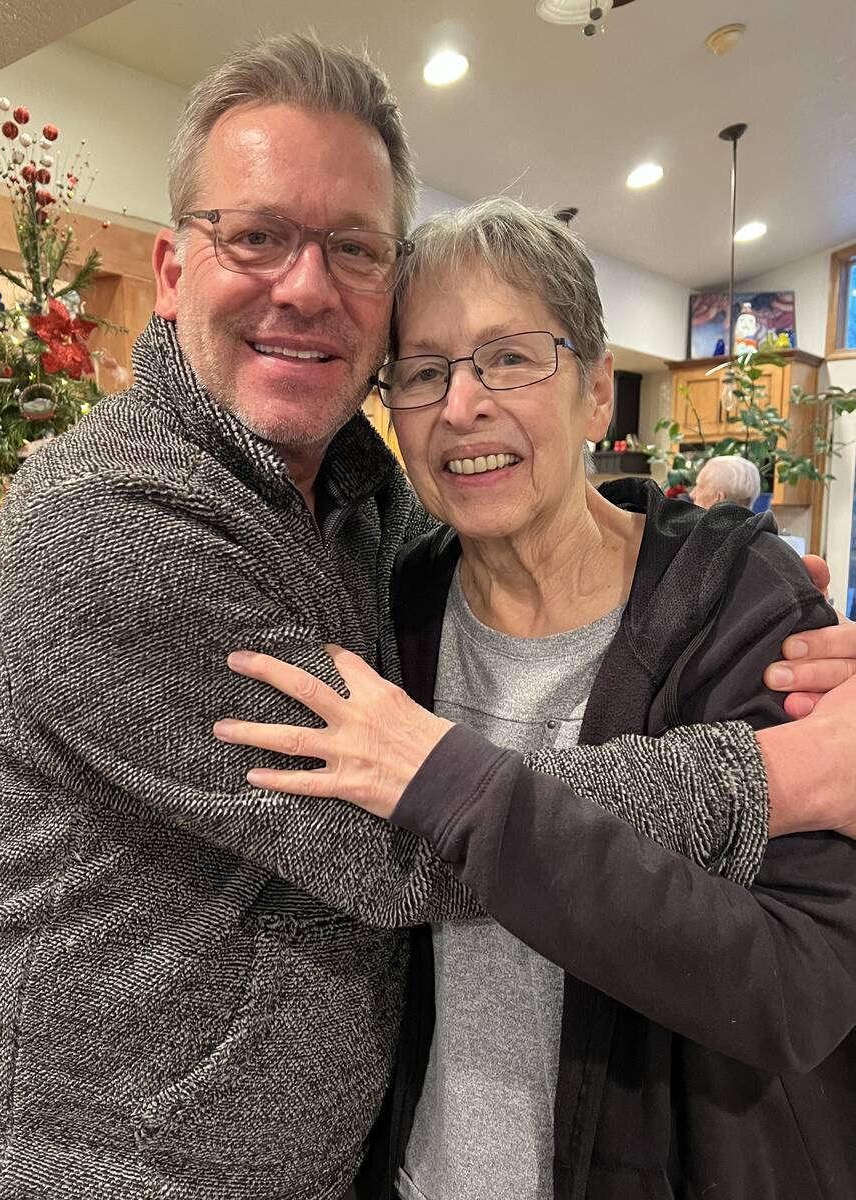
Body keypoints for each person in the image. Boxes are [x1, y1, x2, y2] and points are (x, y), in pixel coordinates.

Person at [0, 33, 855, 1200]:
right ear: (173, 270)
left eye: (351, 248)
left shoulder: (367, 515)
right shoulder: (116, 524)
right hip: (126, 1173)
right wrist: (774, 775)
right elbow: (397, 844)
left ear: (598, 385)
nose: (303, 285)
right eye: (254, 235)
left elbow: (798, 977)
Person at [215, 199, 856, 1199]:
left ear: (597, 391)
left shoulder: (744, 608)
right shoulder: (393, 615)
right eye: (421, 373)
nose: (461, 405)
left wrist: (456, 787)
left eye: (509, 357)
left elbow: (795, 989)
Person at [690, 453, 762, 509]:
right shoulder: (760, 526)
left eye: (700, 487)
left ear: (719, 498)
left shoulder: (695, 526)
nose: (692, 494)